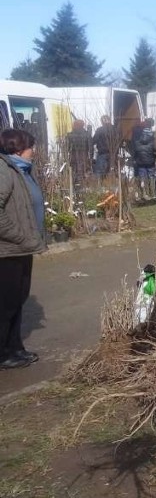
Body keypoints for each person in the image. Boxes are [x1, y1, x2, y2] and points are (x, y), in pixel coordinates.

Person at [0, 129, 47, 370]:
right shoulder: (4, 171)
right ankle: (3, 353)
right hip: (8, 250)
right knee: (6, 304)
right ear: (17, 148)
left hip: (23, 248)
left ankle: (15, 347)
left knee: (17, 300)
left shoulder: (23, 170)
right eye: (31, 146)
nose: (34, 151)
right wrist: (21, 237)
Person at [131, 118, 156, 200]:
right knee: (151, 177)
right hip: (150, 161)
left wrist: (135, 158)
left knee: (142, 177)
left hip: (140, 161)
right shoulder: (153, 139)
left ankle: (144, 194)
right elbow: (155, 150)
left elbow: (135, 151)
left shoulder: (137, 140)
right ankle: (153, 193)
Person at [92, 115, 119, 180]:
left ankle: (100, 186)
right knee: (112, 171)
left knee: (99, 172)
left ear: (102, 121)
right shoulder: (115, 129)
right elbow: (119, 141)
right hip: (113, 154)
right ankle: (112, 185)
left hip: (102, 153)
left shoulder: (100, 130)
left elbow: (94, 141)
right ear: (109, 120)